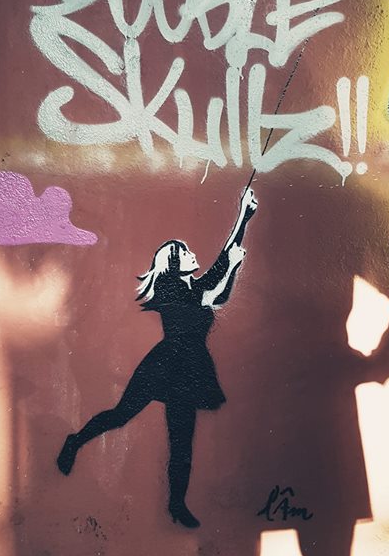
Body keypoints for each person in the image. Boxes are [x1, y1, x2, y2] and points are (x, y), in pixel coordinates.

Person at [57, 188, 258, 528]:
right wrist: (235, 262)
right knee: (121, 415)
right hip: (164, 365)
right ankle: (74, 442)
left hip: (190, 368)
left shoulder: (190, 286)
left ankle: (176, 504)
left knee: (182, 442)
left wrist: (243, 217)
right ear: (173, 263)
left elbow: (220, 270)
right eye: (185, 252)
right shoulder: (169, 288)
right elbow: (215, 289)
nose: (193, 255)